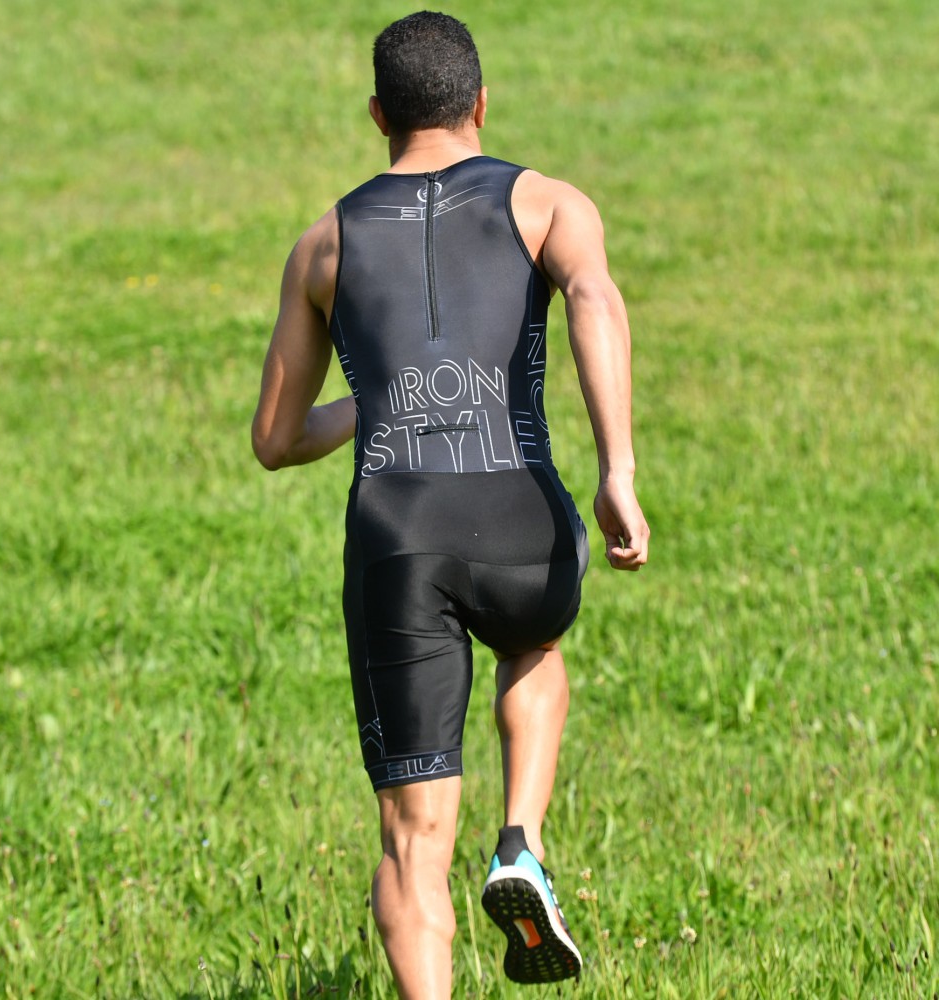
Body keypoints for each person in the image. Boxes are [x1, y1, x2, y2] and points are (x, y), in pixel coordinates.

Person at [251, 11, 649, 998]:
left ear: (377, 114)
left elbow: (274, 440)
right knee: (534, 641)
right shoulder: (549, 203)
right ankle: (520, 840)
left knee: (409, 840)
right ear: (480, 102)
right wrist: (618, 470)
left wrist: (373, 402)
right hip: (518, 509)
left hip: (397, 532)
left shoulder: (323, 243)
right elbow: (595, 300)